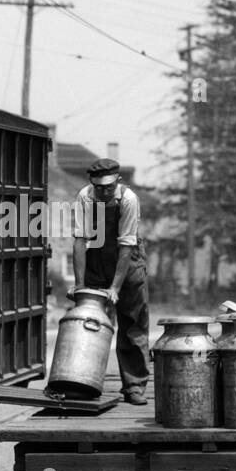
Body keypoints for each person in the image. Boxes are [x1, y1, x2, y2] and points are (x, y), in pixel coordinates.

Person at [72, 156, 151, 405]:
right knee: (88, 323)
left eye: (108, 187)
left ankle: (134, 386)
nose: (104, 192)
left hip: (128, 267)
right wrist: (79, 284)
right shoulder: (85, 197)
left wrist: (115, 288)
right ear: (91, 183)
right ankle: (81, 382)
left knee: (133, 326)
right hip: (96, 263)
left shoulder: (128, 199)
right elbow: (80, 241)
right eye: (99, 187)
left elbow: (126, 245)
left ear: (118, 180)